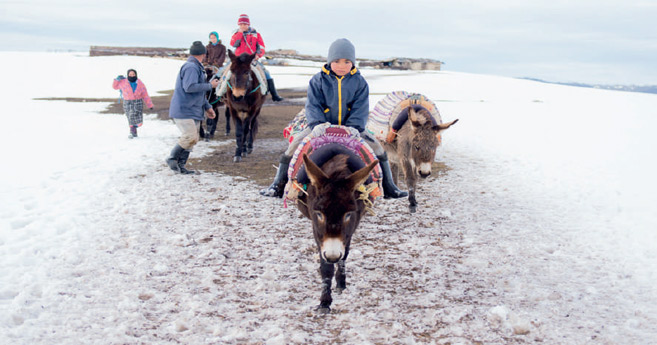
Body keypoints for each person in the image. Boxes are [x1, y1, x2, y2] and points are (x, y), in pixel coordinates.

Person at [260, 38, 408, 199]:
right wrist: (317, 124)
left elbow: (361, 108)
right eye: (337, 61)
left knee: (378, 148)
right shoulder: (318, 80)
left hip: (351, 127)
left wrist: (355, 126)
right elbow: (313, 105)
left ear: (353, 62)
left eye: (347, 61)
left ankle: (389, 186)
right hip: (320, 125)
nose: (342, 66)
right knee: (294, 145)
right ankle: (278, 184)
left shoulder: (360, 82)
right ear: (330, 61)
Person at [166, 41, 220, 174]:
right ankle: (172, 158)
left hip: (193, 109)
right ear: (203, 54)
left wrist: (208, 107)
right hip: (184, 109)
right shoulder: (191, 67)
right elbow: (189, 87)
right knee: (190, 136)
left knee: (193, 139)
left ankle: (181, 166)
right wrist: (210, 86)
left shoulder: (197, 67)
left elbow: (198, 92)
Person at [229, 14, 283, 102]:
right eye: (241, 24)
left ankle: (274, 94)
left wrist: (258, 55)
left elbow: (261, 47)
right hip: (238, 61)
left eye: (245, 24)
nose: (243, 26)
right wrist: (240, 34)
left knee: (266, 73)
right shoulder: (236, 34)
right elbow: (233, 44)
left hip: (251, 60)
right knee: (224, 73)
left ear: (248, 24)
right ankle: (220, 94)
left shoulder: (256, 34)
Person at [112, 69, 153, 138]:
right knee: (130, 116)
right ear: (128, 75)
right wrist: (117, 80)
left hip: (137, 102)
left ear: (136, 75)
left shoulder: (140, 83)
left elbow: (145, 94)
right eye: (130, 74)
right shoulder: (123, 82)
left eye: (133, 74)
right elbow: (115, 87)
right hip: (127, 102)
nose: (132, 76)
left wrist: (150, 105)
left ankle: (132, 131)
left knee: (134, 115)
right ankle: (133, 131)